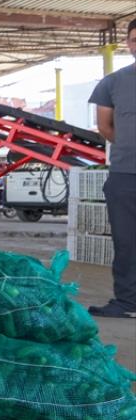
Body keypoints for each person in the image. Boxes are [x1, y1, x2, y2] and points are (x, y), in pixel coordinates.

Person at [86, 19, 136, 319]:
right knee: (126, 241)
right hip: (125, 174)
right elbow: (105, 126)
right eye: (133, 39)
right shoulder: (112, 83)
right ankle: (128, 302)